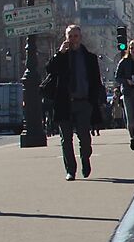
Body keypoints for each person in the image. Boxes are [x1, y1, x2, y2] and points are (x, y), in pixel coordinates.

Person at [36, 24, 106, 180]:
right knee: (66, 139)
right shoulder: (61, 57)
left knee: (85, 138)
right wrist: (60, 53)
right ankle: (70, 170)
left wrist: (96, 100)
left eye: (75, 36)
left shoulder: (90, 58)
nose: (73, 39)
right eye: (70, 36)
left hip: (84, 102)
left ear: (80, 38)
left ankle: (85, 160)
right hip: (64, 102)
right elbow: (50, 69)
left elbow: (95, 81)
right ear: (66, 38)